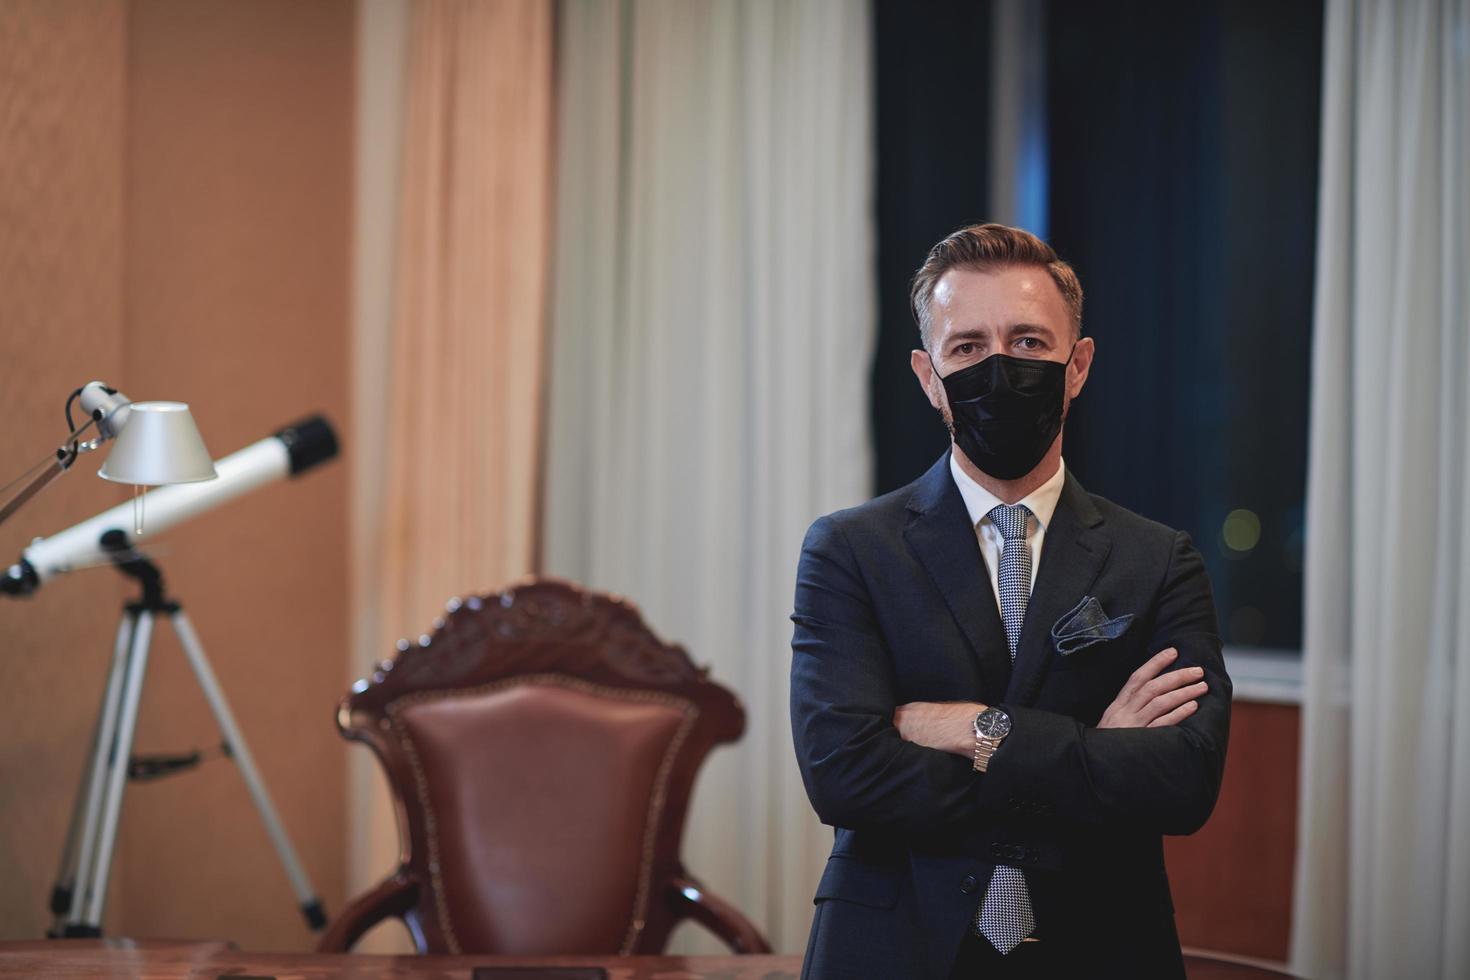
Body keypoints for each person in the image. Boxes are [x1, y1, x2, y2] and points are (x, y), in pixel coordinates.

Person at [789, 224, 1231, 979]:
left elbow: (1182, 783)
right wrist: (1093, 749)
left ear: (1078, 365)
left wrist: (975, 729)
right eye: (967, 348)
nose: (999, 368)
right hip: (893, 949)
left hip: (1105, 948)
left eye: (1028, 343)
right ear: (929, 377)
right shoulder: (850, 550)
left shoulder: (1158, 560)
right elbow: (845, 775)